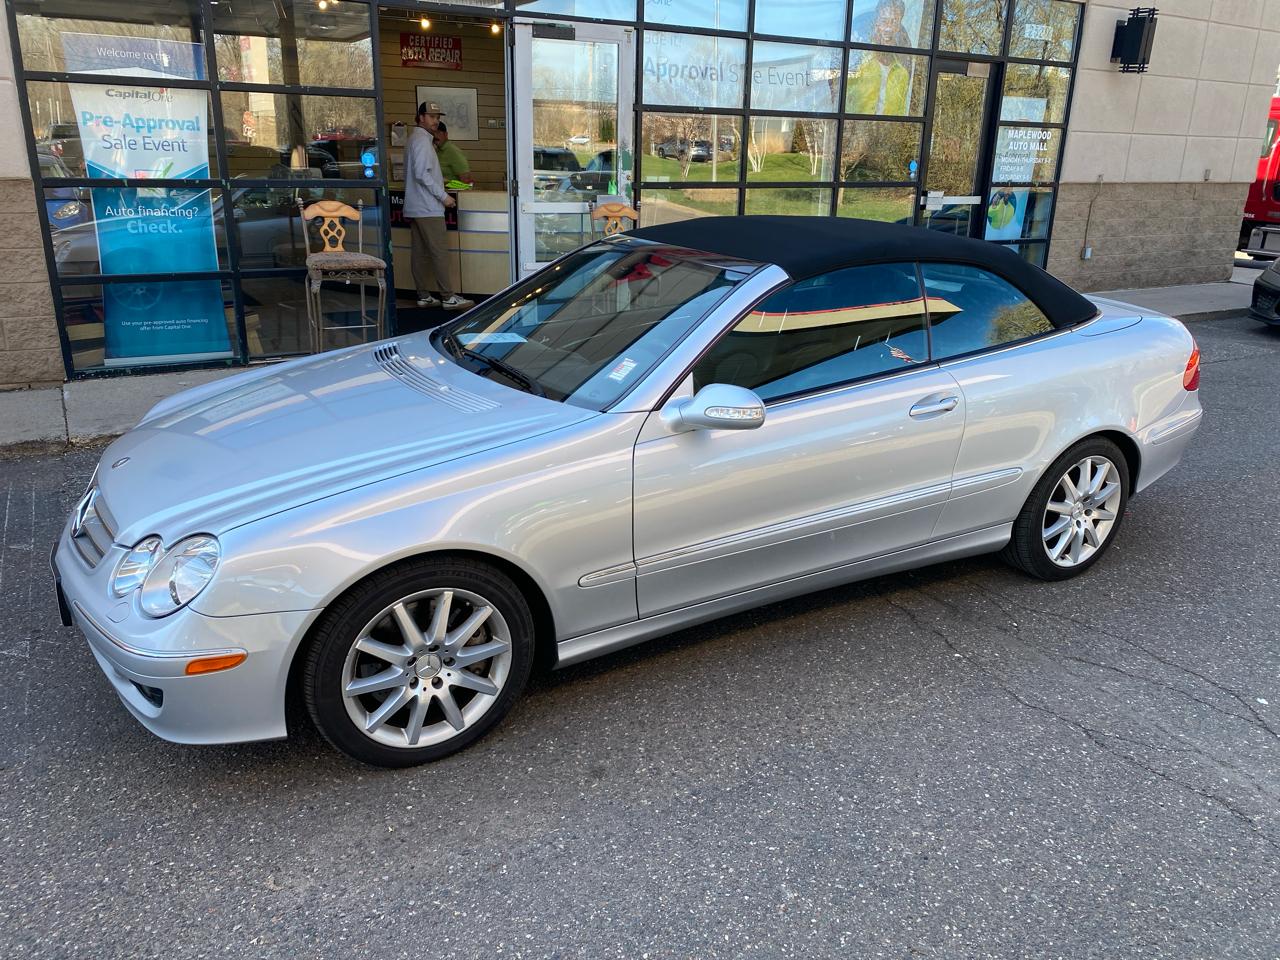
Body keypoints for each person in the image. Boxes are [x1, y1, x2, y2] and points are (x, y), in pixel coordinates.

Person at [405, 101, 472, 311]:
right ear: (421, 117)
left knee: (419, 253)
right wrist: (443, 196)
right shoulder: (422, 141)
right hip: (428, 207)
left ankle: (423, 295)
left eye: (437, 117)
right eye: (431, 117)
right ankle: (448, 297)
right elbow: (422, 173)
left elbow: (421, 173)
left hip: (416, 206)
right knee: (439, 252)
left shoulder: (416, 139)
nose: (436, 121)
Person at [432, 121, 472, 186]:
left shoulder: (452, 151)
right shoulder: (436, 151)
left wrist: (446, 182)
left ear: (446, 134)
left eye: (438, 132)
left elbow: (466, 181)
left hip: (451, 194)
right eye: (433, 133)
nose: (435, 136)